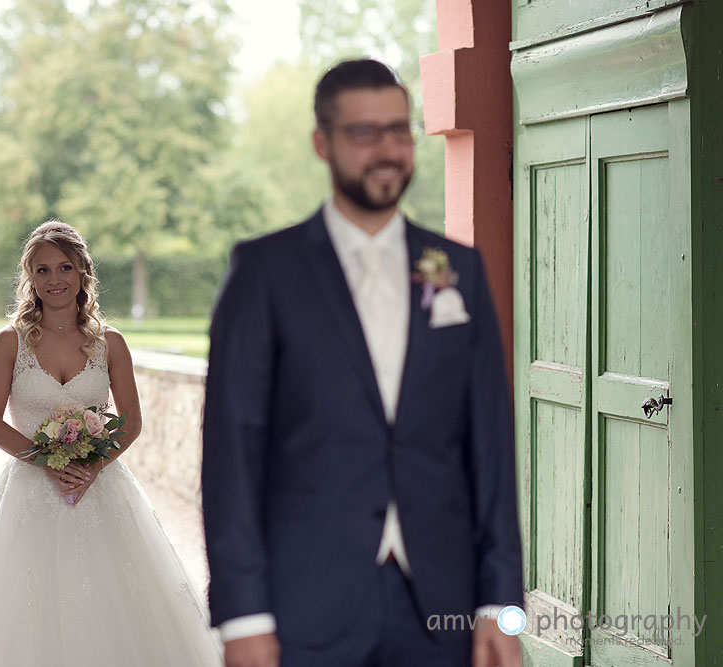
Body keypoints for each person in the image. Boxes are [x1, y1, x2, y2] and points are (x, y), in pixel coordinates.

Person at [202, 59, 523, 667]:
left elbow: (491, 447)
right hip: (304, 607)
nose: (388, 149)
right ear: (322, 143)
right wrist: (242, 615)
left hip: (444, 608)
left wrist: (501, 608)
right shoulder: (264, 273)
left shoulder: (459, 269)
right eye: (364, 132)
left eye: (400, 130)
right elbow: (231, 454)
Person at [0, 220, 222, 666]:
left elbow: (131, 421)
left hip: (99, 488)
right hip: (27, 491)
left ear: (83, 272)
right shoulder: (10, 342)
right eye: (42, 270)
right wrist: (45, 461)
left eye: (64, 267)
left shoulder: (111, 344)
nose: (54, 280)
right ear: (30, 276)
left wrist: (94, 465)